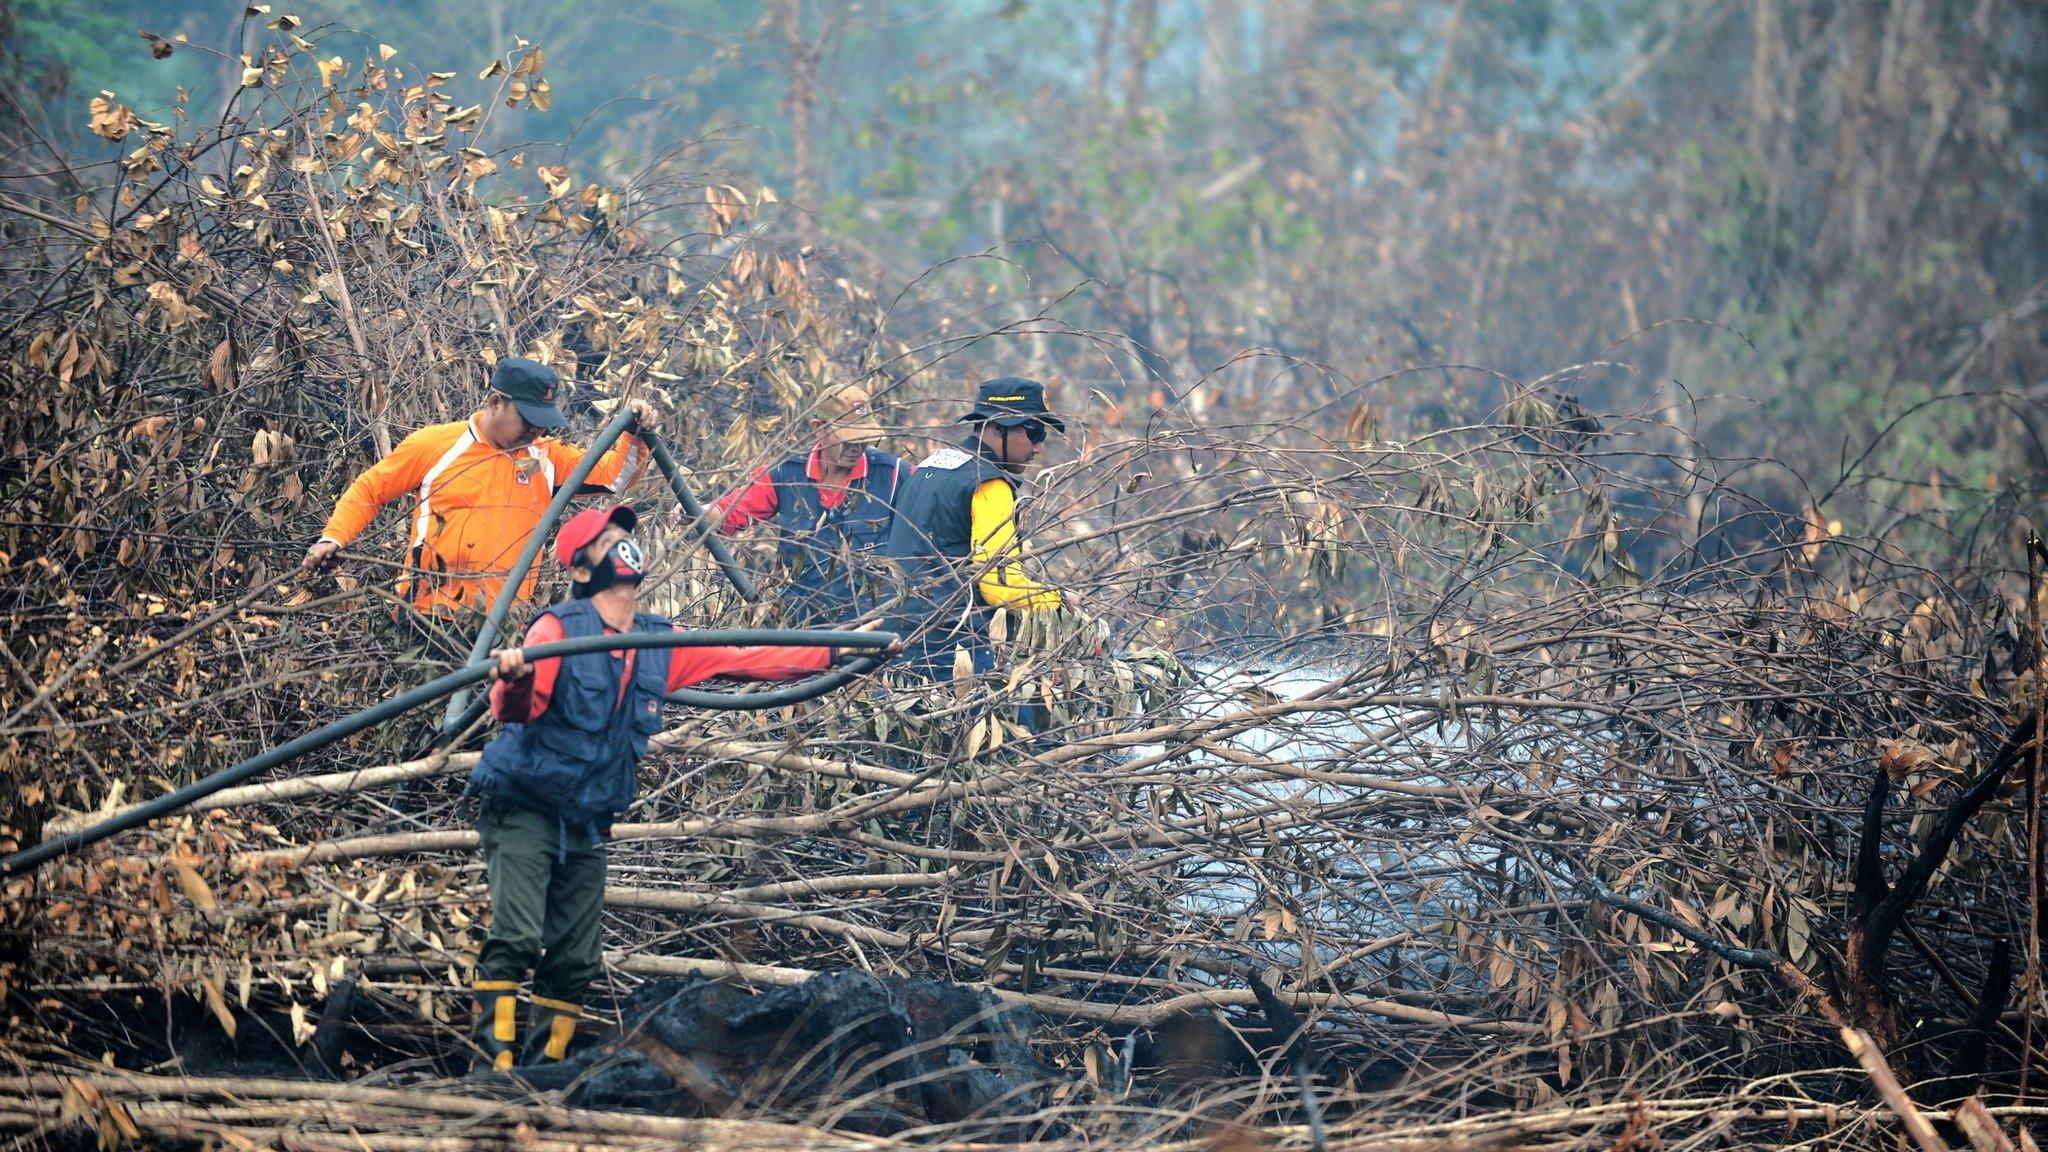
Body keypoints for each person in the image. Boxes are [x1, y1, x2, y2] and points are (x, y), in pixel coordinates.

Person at [465, 503, 896, 1069]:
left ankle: (548, 1069)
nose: (623, 542)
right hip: (525, 807)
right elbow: (516, 711)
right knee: (518, 938)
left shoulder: (660, 642)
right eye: (609, 537)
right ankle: (489, 1067)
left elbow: (748, 655)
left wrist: (838, 649)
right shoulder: (555, 631)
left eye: (626, 535)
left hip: (589, 820)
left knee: (574, 957)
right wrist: (514, 678)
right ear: (579, 567)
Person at [301, 357, 657, 618]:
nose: (537, 431)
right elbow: (369, 491)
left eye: (543, 423)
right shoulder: (435, 445)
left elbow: (614, 478)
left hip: (503, 626)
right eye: (529, 420)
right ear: (495, 403)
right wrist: (333, 538)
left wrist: (634, 435)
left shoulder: (546, 457)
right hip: (428, 619)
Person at [883, 377, 1066, 682]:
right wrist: (1059, 600)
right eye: (1033, 432)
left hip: (897, 644)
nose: (1037, 447)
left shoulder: (931, 466)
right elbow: (999, 587)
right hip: (955, 651)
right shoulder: (990, 484)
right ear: (996, 427)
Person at [711, 382, 909, 625]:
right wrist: (698, 514)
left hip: (871, 630)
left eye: (863, 438)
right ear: (819, 428)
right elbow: (731, 513)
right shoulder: (786, 473)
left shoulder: (893, 474)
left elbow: (935, 500)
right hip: (801, 628)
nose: (857, 447)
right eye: (848, 438)